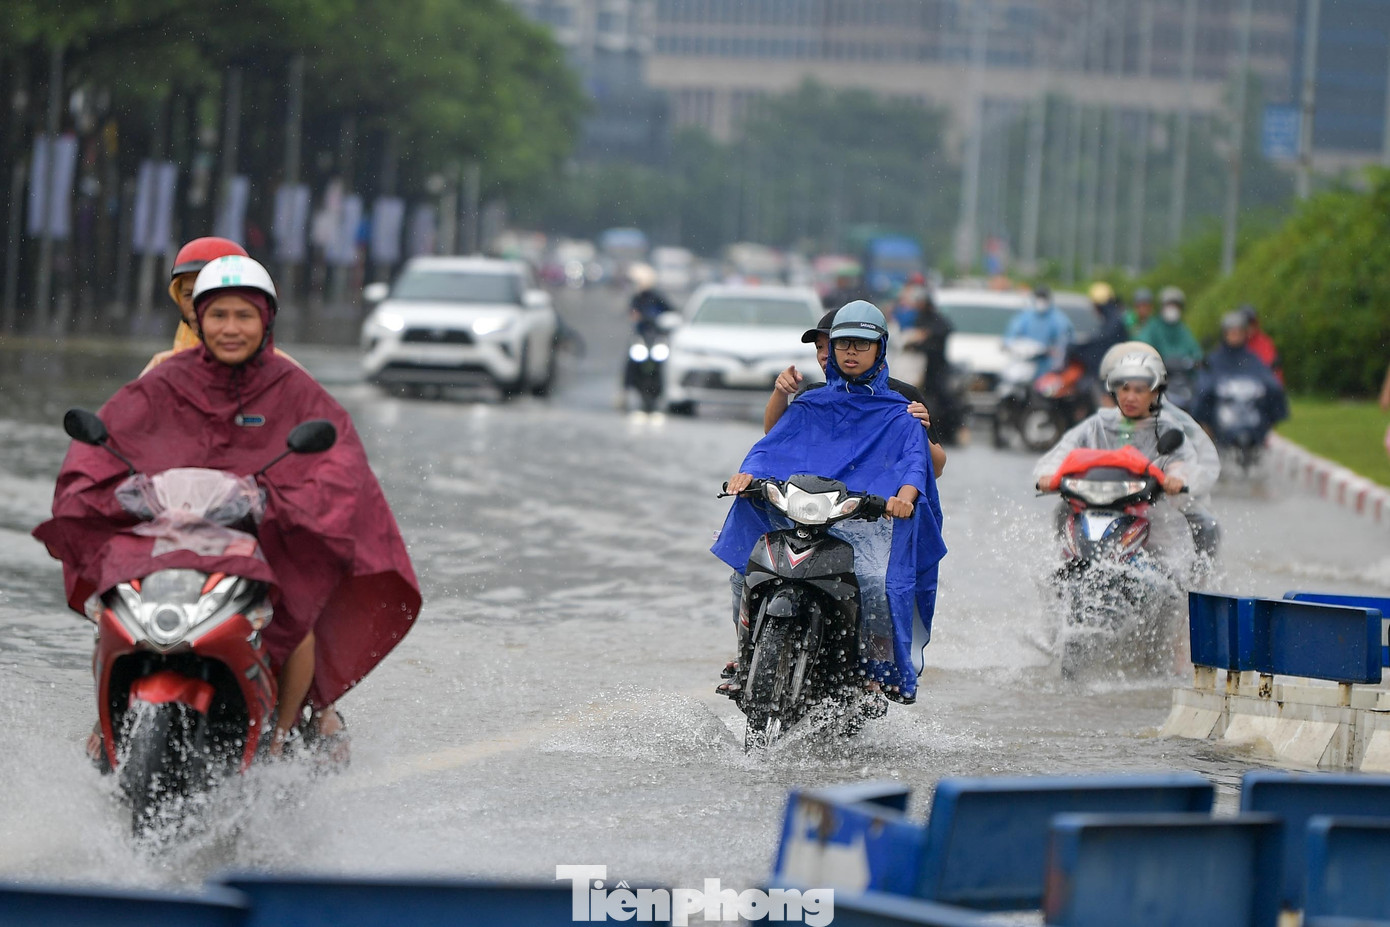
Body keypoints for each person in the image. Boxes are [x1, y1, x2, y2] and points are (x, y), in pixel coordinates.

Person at [35, 255, 421, 761]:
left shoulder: (295, 387)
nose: (230, 328)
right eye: (218, 315)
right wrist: (106, 489)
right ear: (196, 316)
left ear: (266, 319)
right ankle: (107, 717)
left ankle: (279, 738)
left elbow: (338, 464)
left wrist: (286, 502)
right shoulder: (164, 378)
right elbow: (111, 442)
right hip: (173, 532)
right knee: (115, 601)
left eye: (244, 315)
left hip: (263, 536)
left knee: (296, 615)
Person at [715, 301, 945, 703]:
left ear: (880, 347)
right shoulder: (811, 399)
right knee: (748, 571)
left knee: (875, 583)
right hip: (810, 511)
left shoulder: (902, 402)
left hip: (867, 518)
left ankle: (875, 666)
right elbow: (774, 443)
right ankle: (747, 655)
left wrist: (905, 493)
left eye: (859, 344)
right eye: (836, 345)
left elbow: (921, 464)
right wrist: (748, 474)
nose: (842, 353)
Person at [1033, 350, 1203, 576]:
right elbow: (1063, 451)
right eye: (1125, 389)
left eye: (1139, 390)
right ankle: (1063, 570)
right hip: (1093, 502)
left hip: (1148, 508)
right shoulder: (1097, 425)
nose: (1130, 397)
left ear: (1155, 392)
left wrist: (1175, 479)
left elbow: (1180, 462)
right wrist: (1049, 474)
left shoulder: (1166, 429)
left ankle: (1178, 584)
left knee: (1185, 532)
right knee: (1062, 510)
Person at [766, 307, 947, 475]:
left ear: (877, 348)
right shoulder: (813, 397)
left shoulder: (903, 398)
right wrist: (781, 392)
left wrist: (918, 429)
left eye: (855, 344)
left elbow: (936, 469)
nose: (825, 355)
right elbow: (775, 437)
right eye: (819, 347)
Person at [1099, 341, 1222, 561]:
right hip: (1113, 496)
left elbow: (1202, 464)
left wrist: (1178, 479)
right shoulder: (1104, 423)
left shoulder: (1174, 423)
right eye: (1120, 385)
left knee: (1204, 523)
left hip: (1161, 501)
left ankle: (1198, 576)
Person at [141, 237, 249, 375]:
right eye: (188, 295)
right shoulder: (161, 371)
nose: (197, 306)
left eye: (208, 294)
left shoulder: (274, 374)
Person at [1192, 311, 1289, 437]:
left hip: (1252, 422)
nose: (1235, 336)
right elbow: (1204, 387)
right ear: (1224, 333)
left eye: (1238, 332)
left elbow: (1270, 382)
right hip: (1221, 424)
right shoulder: (1214, 360)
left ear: (1244, 334)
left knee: (1274, 389)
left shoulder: (1252, 359)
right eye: (1232, 332)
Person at [1003, 284, 1075, 378]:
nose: (1041, 301)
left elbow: (1065, 341)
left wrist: (1055, 351)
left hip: (1048, 364)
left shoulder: (1059, 319)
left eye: (1043, 298)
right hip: (1026, 362)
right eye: (1038, 298)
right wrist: (1008, 344)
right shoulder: (1025, 316)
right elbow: (1011, 334)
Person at [1068, 281, 1129, 379]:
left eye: (1095, 305)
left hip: (1111, 370)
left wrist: (1078, 349)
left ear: (1099, 305)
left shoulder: (1113, 320)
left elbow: (1102, 342)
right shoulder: (1114, 316)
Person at [1136, 286, 1203, 367]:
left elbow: (1195, 350)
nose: (1172, 308)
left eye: (1175, 305)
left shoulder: (1182, 328)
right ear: (1162, 307)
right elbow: (1143, 345)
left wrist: (1192, 360)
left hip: (1183, 372)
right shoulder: (1153, 326)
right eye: (1169, 305)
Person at [1239, 304, 1283, 385]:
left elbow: (1270, 368)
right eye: (1245, 324)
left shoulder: (1264, 342)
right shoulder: (1235, 343)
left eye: (1251, 323)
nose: (1249, 327)